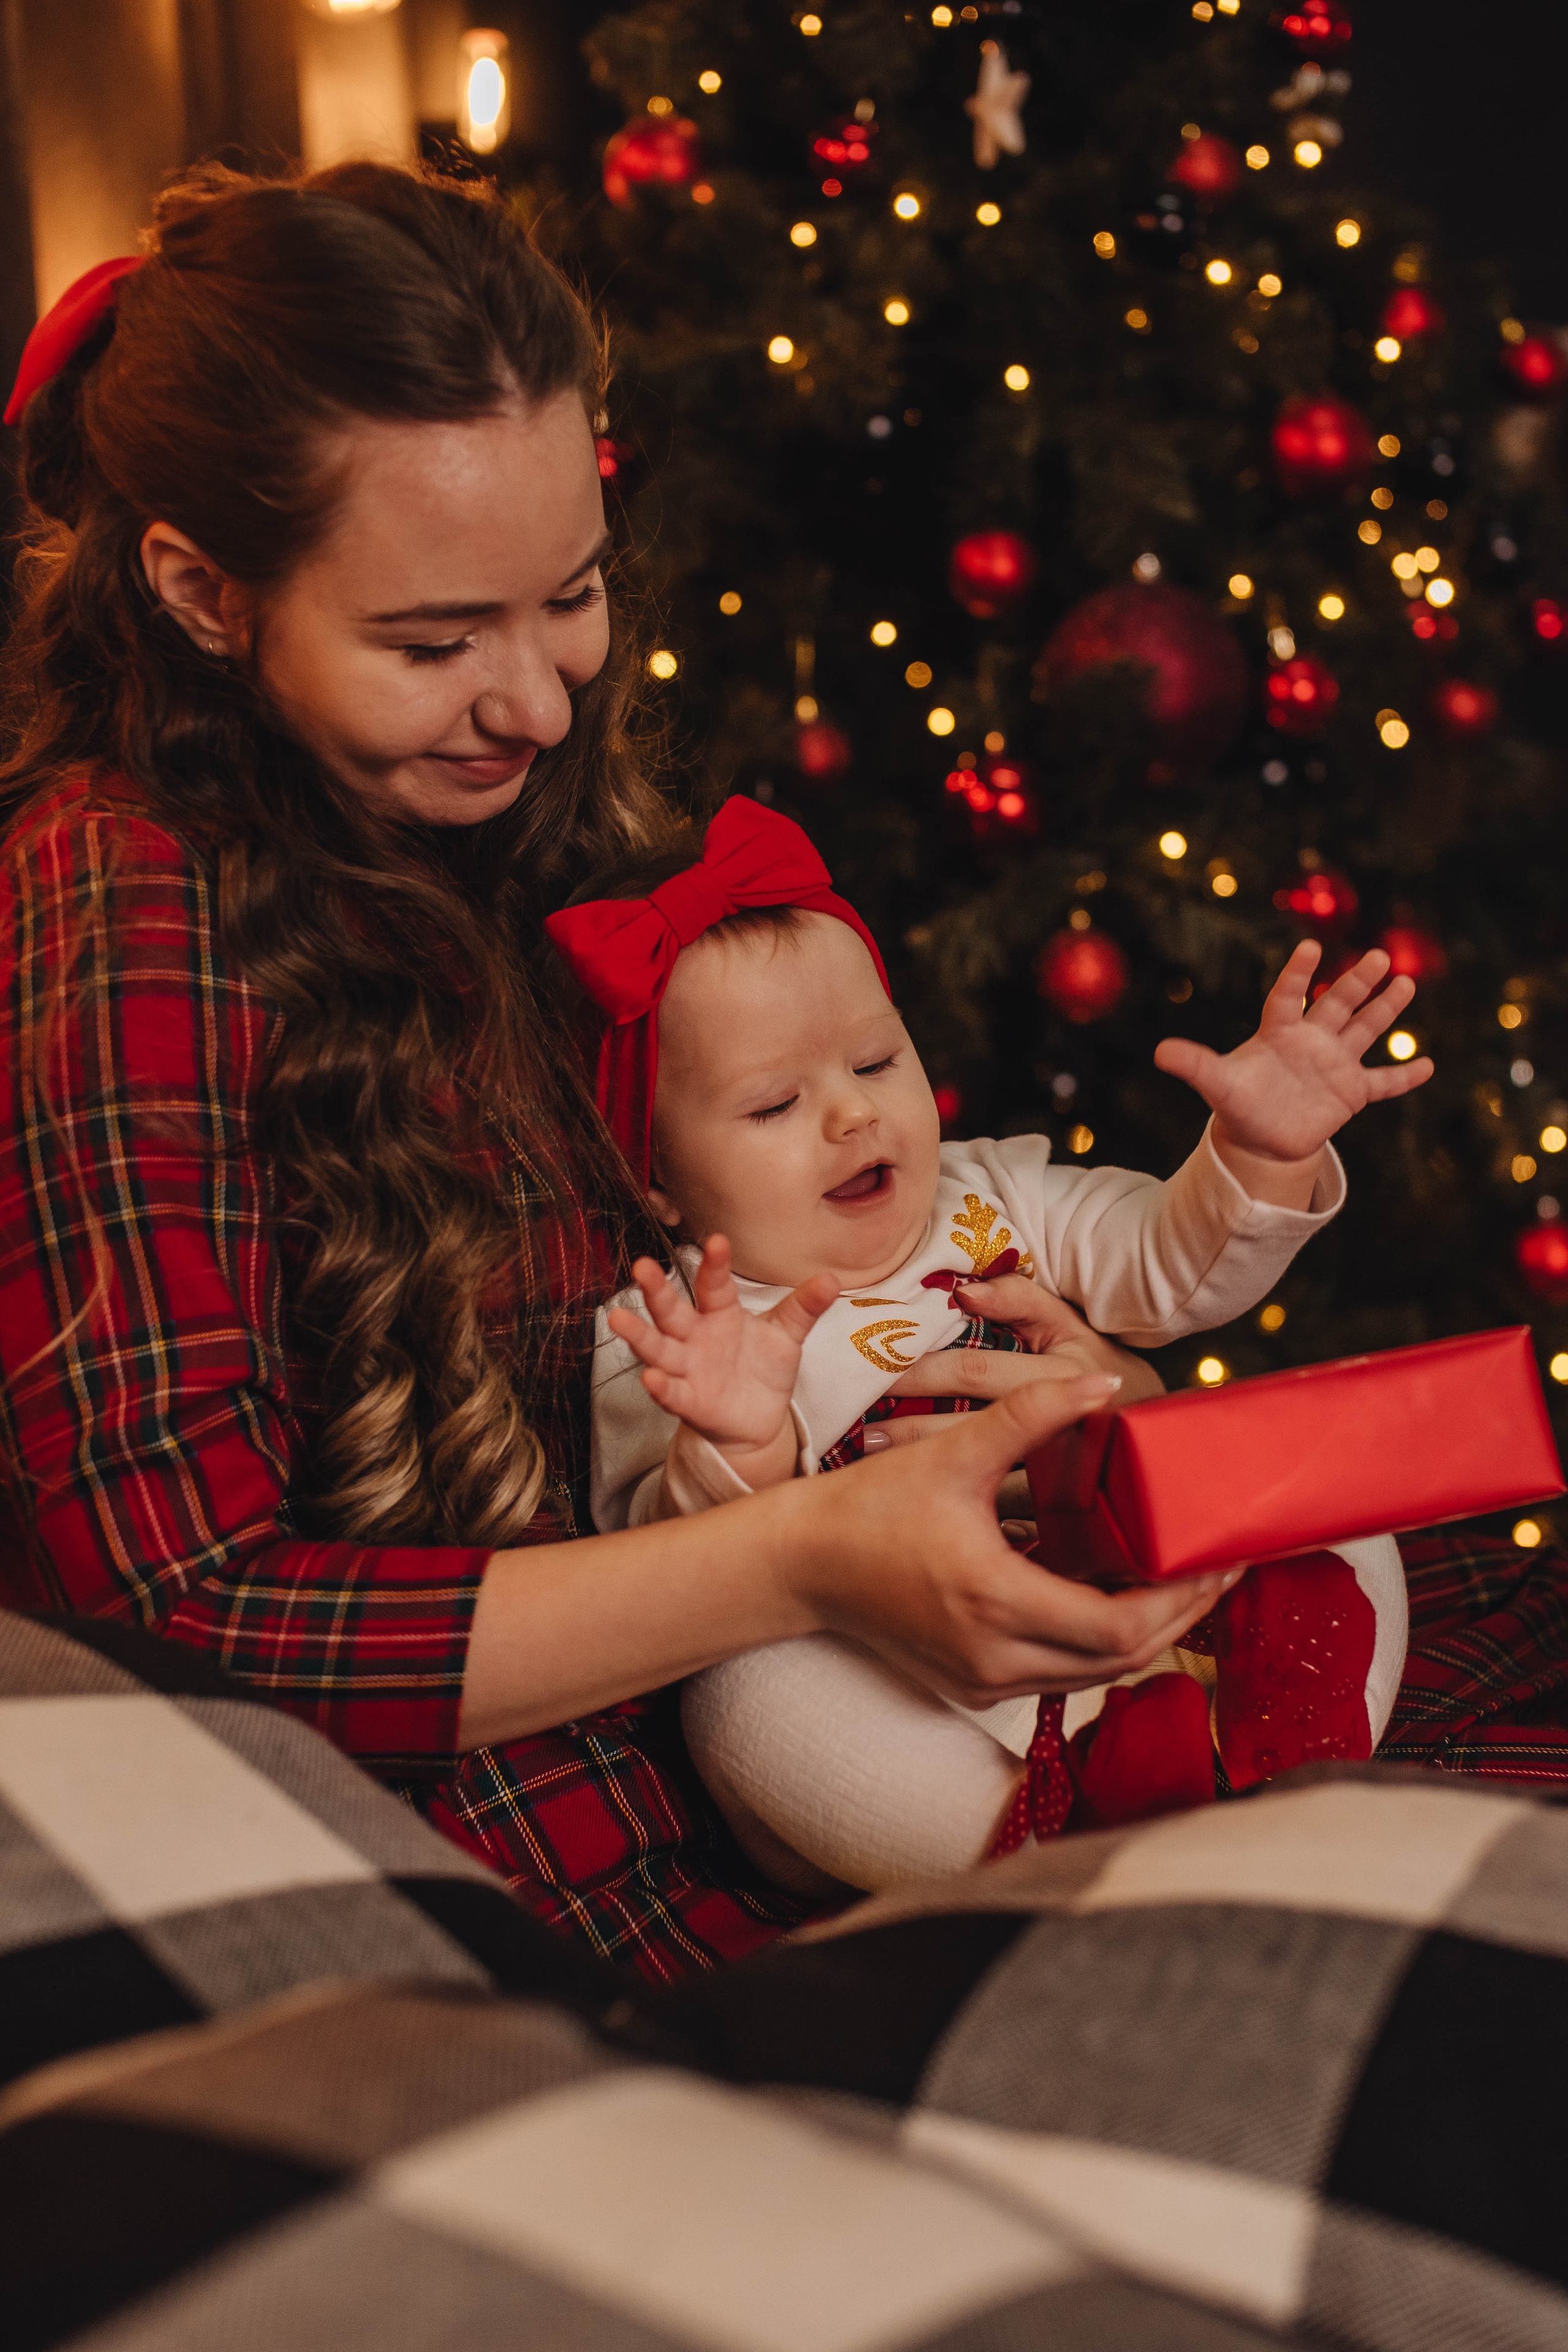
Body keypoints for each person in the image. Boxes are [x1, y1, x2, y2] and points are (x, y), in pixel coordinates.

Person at [0, 162, 1238, 1982]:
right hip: (486, 1908)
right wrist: (802, 1558)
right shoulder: (114, 908)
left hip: (738, 1800)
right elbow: (183, 1620)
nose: (541, 700)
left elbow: (770, 1249)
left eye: (570, 594)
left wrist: (1053, 1390)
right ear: (200, 592)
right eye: (435, 641)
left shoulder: (485, 811)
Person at [549, 801, 1419, 1893]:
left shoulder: (992, 1191)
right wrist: (735, 1440)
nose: (852, 1116)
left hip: (1107, 1567)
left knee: (1329, 1485)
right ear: (656, 1179)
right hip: (902, 1676)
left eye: (876, 1060)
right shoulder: (678, 1329)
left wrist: (1258, 1153)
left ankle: (1270, 1740)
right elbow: (669, 1578)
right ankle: (1090, 1812)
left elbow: (1168, 1267)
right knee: (745, 1697)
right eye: (774, 1105)